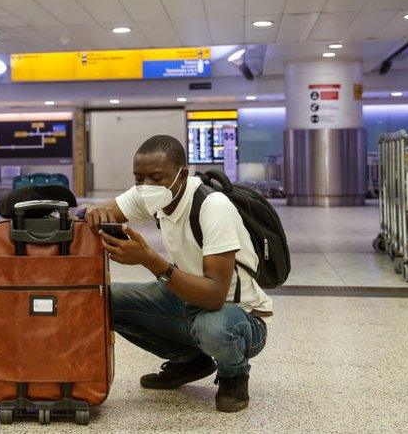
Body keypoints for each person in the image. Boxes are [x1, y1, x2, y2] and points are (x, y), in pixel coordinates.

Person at [85, 134, 272, 412]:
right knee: (100, 300)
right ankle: (190, 361)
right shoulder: (151, 196)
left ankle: (234, 375)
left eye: (156, 177)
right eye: (139, 178)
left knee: (214, 327)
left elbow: (214, 297)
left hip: (238, 316)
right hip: (186, 298)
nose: (146, 186)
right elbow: (104, 211)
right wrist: (93, 213)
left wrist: (149, 259)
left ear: (181, 175)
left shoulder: (213, 207)